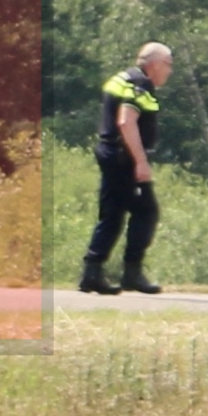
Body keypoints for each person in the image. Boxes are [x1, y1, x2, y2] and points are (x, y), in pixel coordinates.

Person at [80, 40, 172, 296]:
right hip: (124, 157)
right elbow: (126, 121)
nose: (169, 71)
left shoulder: (122, 78)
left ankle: (92, 273)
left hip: (111, 152)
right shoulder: (140, 83)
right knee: (146, 212)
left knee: (112, 214)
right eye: (168, 64)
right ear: (154, 64)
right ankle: (131, 272)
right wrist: (140, 162)